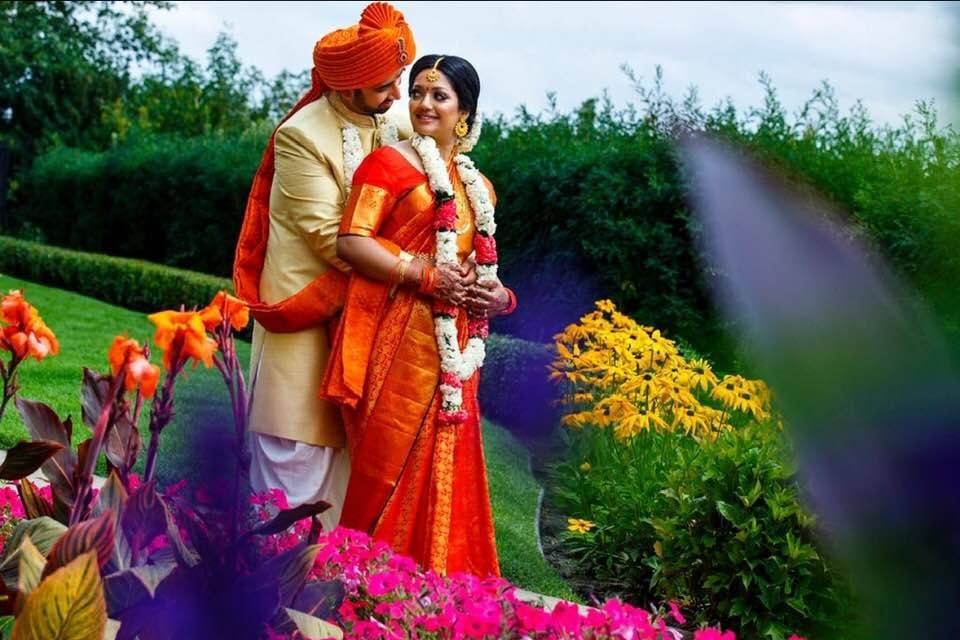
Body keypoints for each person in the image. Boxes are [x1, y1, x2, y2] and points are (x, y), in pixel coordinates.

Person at [322, 54, 517, 577]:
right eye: (418, 92)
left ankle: (437, 597)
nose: (424, 104)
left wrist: (500, 299)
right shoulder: (387, 165)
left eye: (440, 96)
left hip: (454, 355)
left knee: (448, 465)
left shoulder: (480, 187)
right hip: (395, 339)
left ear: (465, 113)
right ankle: (358, 587)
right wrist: (424, 275)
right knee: (382, 468)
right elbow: (351, 241)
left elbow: (481, 265)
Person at [232, 2, 416, 530]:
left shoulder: (396, 120)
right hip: (308, 324)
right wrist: (421, 270)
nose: (398, 94)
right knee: (295, 469)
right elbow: (335, 240)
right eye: (385, 84)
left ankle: (323, 599)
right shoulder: (302, 137)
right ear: (348, 85)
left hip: (369, 324)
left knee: (350, 483)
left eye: (400, 78)